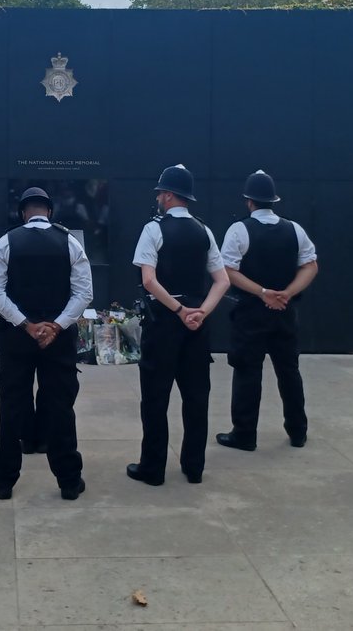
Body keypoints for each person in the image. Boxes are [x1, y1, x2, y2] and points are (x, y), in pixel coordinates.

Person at [0, 186, 92, 499]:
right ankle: (69, 481)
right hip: (58, 340)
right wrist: (55, 326)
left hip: (17, 338)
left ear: (22, 213)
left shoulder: (6, 241)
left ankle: (3, 480)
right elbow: (84, 293)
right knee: (60, 407)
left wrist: (26, 325)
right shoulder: (70, 241)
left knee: (12, 406)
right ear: (50, 211)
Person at [127, 164, 229, 486]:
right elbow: (222, 281)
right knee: (196, 396)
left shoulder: (153, 229)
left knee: (156, 397)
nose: (158, 198)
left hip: (164, 322)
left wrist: (180, 310)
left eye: (160, 193)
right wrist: (200, 312)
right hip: (198, 325)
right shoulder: (204, 231)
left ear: (168, 195)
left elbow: (148, 280)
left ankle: (153, 468)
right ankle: (194, 466)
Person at [217, 170, 319, 452]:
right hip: (285, 311)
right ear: (273, 200)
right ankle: (298, 430)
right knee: (289, 371)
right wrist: (287, 293)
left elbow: (228, 270)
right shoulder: (295, 229)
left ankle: (245, 433)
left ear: (249, 201)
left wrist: (262, 292)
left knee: (247, 371)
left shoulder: (239, 230)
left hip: (251, 312)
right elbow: (311, 265)